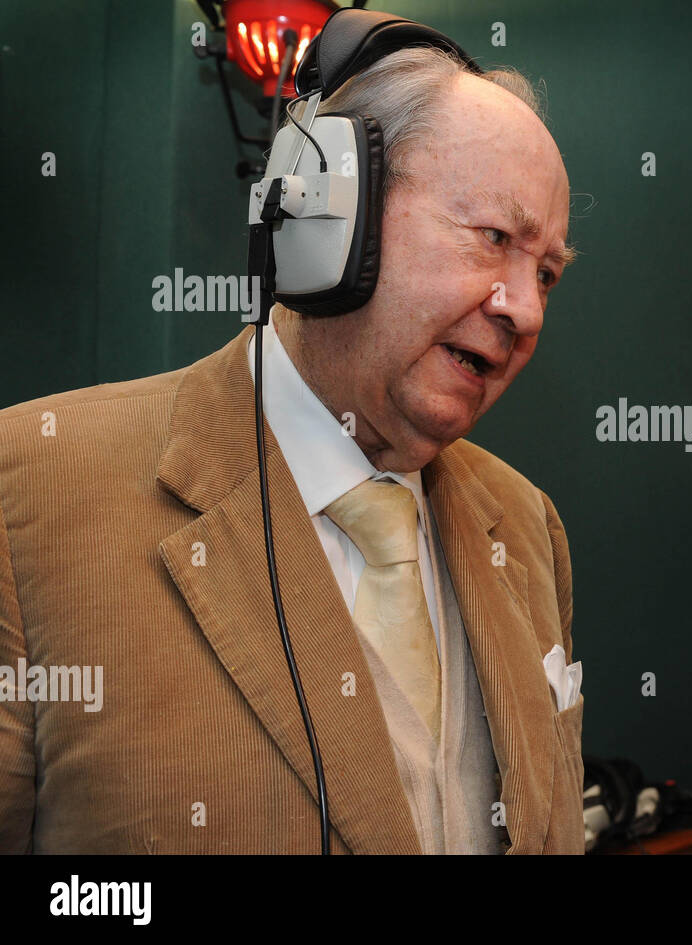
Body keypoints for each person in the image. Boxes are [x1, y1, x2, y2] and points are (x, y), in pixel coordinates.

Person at [0, 40, 582, 854]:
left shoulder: (527, 526)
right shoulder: (27, 492)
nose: (526, 310)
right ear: (327, 217)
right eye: (492, 238)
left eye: (547, 273)